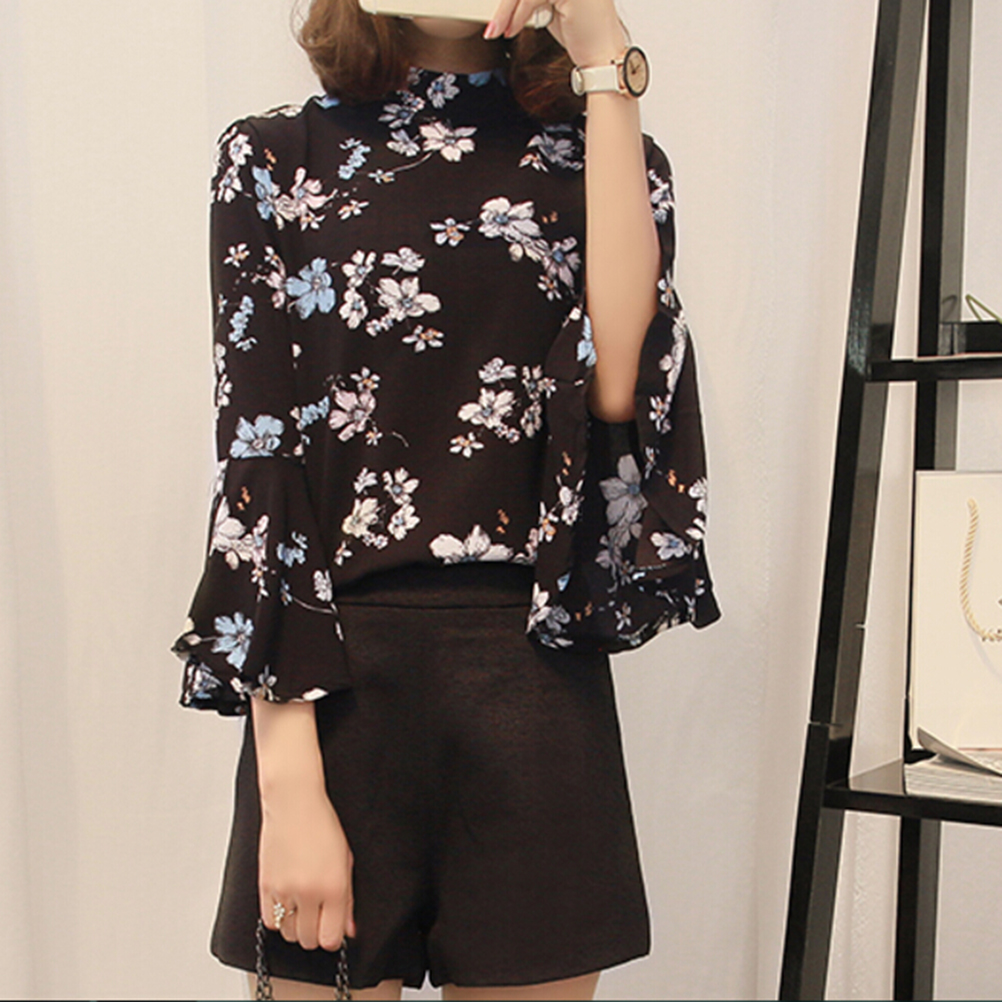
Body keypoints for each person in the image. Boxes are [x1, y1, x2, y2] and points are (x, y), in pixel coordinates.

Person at [170, 0, 721, 998]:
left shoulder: (606, 151)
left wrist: (604, 57)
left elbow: (618, 389)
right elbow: (258, 461)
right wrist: (288, 782)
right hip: (334, 687)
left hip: (535, 686)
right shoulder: (272, 157)